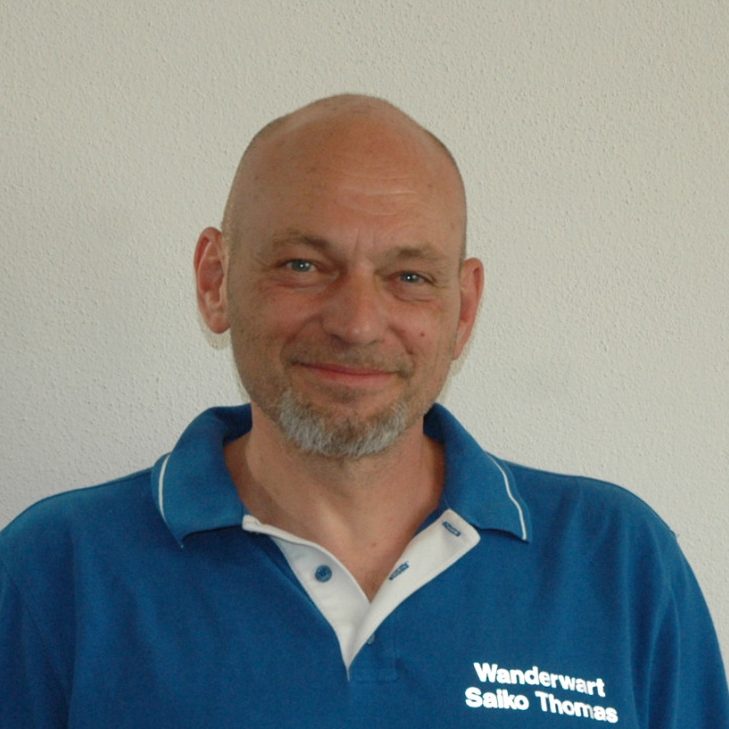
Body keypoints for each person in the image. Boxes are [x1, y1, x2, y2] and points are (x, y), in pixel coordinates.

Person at [0, 94, 726, 728]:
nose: (356, 322)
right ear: (215, 281)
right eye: (303, 265)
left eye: (408, 276)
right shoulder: (54, 572)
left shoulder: (616, 563)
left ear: (463, 309)